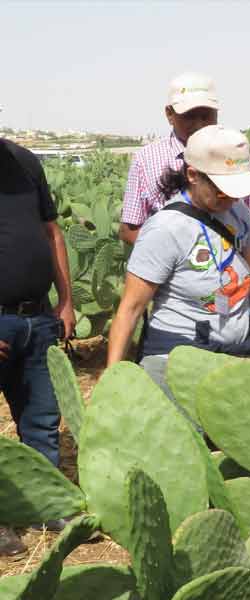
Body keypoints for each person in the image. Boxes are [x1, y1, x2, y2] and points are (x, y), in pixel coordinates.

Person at [107, 125, 250, 406]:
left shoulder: (239, 213)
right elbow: (131, 308)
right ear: (193, 175)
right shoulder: (165, 229)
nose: (231, 197)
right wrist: (112, 381)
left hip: (237, 353)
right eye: (222, 189)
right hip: (178, 360)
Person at [0, 136, 76, 555]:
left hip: (39, 317)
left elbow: (52, 232)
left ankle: (46, 502)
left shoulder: (23, 161)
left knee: (42, 420)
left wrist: (66, 302)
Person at [119, 72, 250, 250]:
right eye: (190, 116)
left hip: (232, 264)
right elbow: (129, 229)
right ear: (169, 114)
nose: (199, 124)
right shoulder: (145, 160)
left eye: (206, 115)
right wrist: (175, 254)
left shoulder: (234, 151)